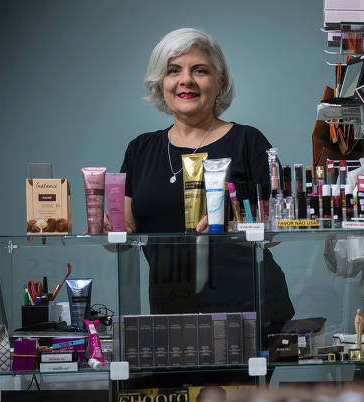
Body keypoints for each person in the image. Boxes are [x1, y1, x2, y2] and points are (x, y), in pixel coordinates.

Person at [116, 27, 294, 328]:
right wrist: (110, 228)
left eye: (200, 70)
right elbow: (122, 230)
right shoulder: (140, 150)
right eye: (174, 71)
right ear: (161, 83)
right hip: (170, 309)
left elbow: (277, 230)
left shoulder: (248, 141)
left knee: (233, 380)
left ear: (219, 81)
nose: (186, 80)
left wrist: (234, 225)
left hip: (249, 310)